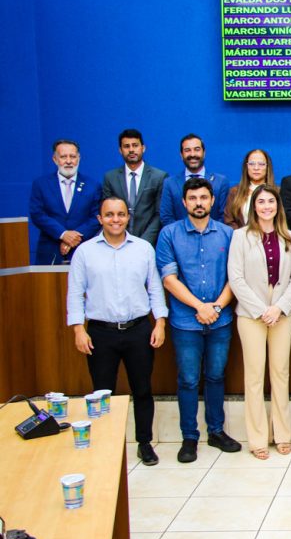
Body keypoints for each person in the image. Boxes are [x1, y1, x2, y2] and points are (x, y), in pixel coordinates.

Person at [66, 196, 168, 466]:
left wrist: (160, 322)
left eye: (121, 214)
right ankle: (105, 446)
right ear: (100, 219)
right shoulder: (85, 252)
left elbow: (155, 288)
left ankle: (144, 443)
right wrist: (78, 330)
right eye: (109, 214)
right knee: (102, 394)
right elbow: (75, 293)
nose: (115, 219)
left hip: (138, 330)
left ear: (128, 217)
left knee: (142, 389)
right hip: (101, 333)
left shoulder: (143, 249)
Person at [156, 177, 241, 463]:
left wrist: (215, 307)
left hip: (220, 320)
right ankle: (189, 437)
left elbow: (235, 277)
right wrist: (200, 307)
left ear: (212, 200)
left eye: (204, 197)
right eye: (193, 198)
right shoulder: (169, 234)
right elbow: (169, 279)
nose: (199, 203)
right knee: (189, 380)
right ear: (184, 202)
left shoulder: (228, 234)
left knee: (216, 376)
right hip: (186, 322)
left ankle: (216, 431)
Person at [228, 184, 291, 460]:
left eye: (271, 201)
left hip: (281, 313)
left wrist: (279, 308)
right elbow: (236, 278)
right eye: (261, 202)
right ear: (253, 207)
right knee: (254, 376)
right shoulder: (240, 236)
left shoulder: (290, 237)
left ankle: (282, 434)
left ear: (277, 206)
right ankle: (258, 438)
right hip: (252, 315)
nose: (266, 206)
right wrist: (262, 310)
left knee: (280, 373)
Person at [29, 139, 102, 264]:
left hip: (83, 250)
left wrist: (74, 237)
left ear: (79, 158)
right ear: (55, 159)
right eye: (63, 157)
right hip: (50, 251)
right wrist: (63, 234)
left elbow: (97, 217)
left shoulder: (93, 186)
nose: (68, 161)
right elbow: (37, 214)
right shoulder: (41, 184)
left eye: (72, 156)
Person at [102, 128, 167, 246]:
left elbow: (159, 215)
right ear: (120, 150)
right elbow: (107, 213)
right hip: (118, 243)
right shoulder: (110, 178)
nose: (131, 150)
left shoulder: (159, 177)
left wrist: (142, 243)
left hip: (148, 243)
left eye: (135, 145)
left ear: (143, 148)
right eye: (126, 146)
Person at [160, 134, 230, 227]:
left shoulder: (220, 182)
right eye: (187, 150)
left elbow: (224, 216)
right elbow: (166, 217)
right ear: (181, 155)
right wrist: (183, 234)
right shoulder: (169, 183)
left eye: (197, 149)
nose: (192, 154)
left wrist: (207, 233)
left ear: (204, 153)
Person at [224, 148, 275, 229]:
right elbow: (229, 221)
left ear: (267, 167)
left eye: (261, 164)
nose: (256, 168)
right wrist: (242, 235)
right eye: (251, 164)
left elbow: (282, 220)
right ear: (246, 166)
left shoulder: (278, 192)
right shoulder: (234, 192)